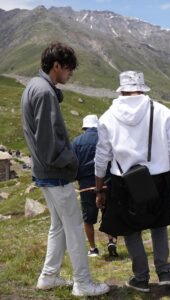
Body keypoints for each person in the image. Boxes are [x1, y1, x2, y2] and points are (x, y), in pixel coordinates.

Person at [21, 42, 109, 297]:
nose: (71, 74)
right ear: (57, 66)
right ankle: (83, 283)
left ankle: (49, 276)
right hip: (55, 173)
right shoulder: (45, 93)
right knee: (73, 226)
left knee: (58, 226)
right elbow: (50, 144)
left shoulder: (35, 88)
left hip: (44, 171)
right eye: (69, 68)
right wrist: (72, 163)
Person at [94, 70, 170, 293]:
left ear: (121, 90)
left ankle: (141, 278)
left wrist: (98, 189)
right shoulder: (164, 113)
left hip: (123, 181)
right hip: (160, 177)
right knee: (159, 225)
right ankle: (164, 273)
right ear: (143, 88)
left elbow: (101, 157)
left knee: (131, 229)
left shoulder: (106, 118)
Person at [72, 114, 118, 257]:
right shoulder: (106, 139)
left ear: (84, 127)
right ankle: (111, 241)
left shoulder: (76, 142)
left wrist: (77, 177)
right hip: (106, 182)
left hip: (86, 184)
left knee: (88, 219)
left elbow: (72, 164)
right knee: (109, 213)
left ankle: (93, 249)